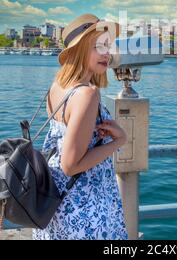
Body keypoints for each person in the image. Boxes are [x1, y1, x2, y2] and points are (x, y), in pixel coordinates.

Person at [32, 14, 129, 240]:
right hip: (85, 210)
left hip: (54, 202)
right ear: (80, 49)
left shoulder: (57, 86)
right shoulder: (87, 94)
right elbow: (71, 164)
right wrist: (119, 140)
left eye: (109, 46)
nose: (108, 53)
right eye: (100, 46)